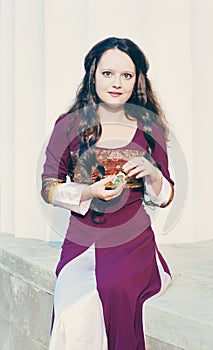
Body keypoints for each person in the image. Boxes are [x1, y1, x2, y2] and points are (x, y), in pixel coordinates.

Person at [41, 37, 175, 350]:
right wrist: (88, 191)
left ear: (137, 81)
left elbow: (165, 195)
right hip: (81, 241)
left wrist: (154, 173)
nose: (116, 83)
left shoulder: (149, 128)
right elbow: (48, 186)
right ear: (93, 75)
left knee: (115, 290)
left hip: (133, 242)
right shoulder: (68, 126)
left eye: (126, 76)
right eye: (107, 74)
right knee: (72, 313)